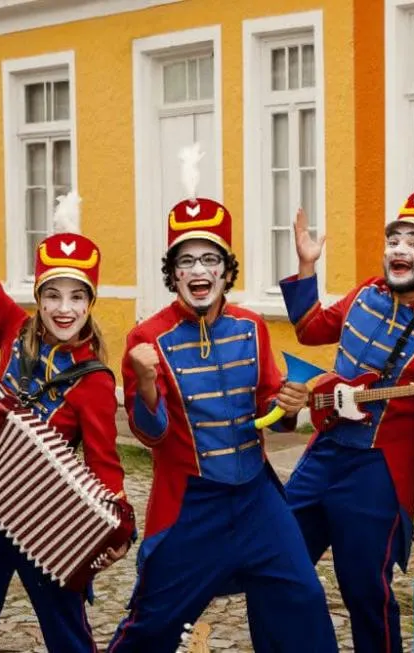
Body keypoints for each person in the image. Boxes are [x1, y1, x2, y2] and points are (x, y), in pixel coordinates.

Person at [250, 150, 414, 653]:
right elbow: (311, 327)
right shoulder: (365, 292)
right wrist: (305, 266)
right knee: (273, 563)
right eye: (394, 240)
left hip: (377, 476)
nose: (400, 250)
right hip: (321, 456)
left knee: (365, 592)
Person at [107, 144, 338, 653]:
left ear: (225, 269)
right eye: (186, 260)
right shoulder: (147, 338)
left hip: (257, 498)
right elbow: (151, 435)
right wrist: (145, 384)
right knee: (154, 623)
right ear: (173, 272)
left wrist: (288, 408)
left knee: (301, 598)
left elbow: (268, 417)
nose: (199, 271)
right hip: (191, 504)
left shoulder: (251, 327)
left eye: (210, 258)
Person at [0, 139, 134, 652]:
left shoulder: (95, 380)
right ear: (38, 298)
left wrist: (116, 526)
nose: (64, 308)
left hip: (49, 526)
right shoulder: (13, 330)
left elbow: (104, 464)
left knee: (71, 643)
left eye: (77, 296)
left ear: (89, 303)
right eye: (53, 295)